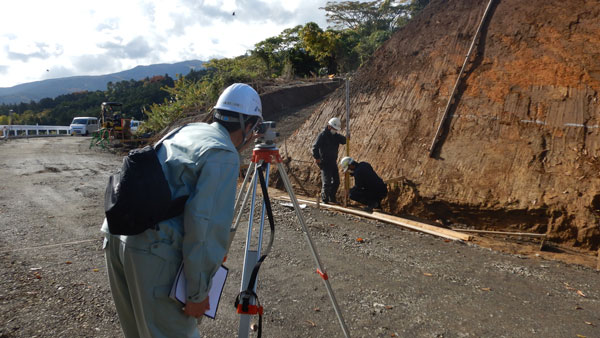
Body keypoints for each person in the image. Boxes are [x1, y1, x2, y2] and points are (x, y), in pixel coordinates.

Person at [102, 83, 262, 338]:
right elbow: (205, 228)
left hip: (118, 235)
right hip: (151, 251)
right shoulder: (223, 154)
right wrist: (197, 294)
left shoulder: (188, 130)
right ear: (250, 125)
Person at [312, 117, 346, 204]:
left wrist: (347, 137)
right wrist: (317, 158)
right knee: (327, 182)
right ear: (329, 127)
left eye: (336, 129)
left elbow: (343, 140)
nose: (335, 131)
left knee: (336, 181)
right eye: (334, 129)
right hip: (325, 162)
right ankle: (325, 199)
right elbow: (315, 147)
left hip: (333, 162)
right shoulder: (322, 135)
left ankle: (332, 197)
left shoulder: (335, 136)